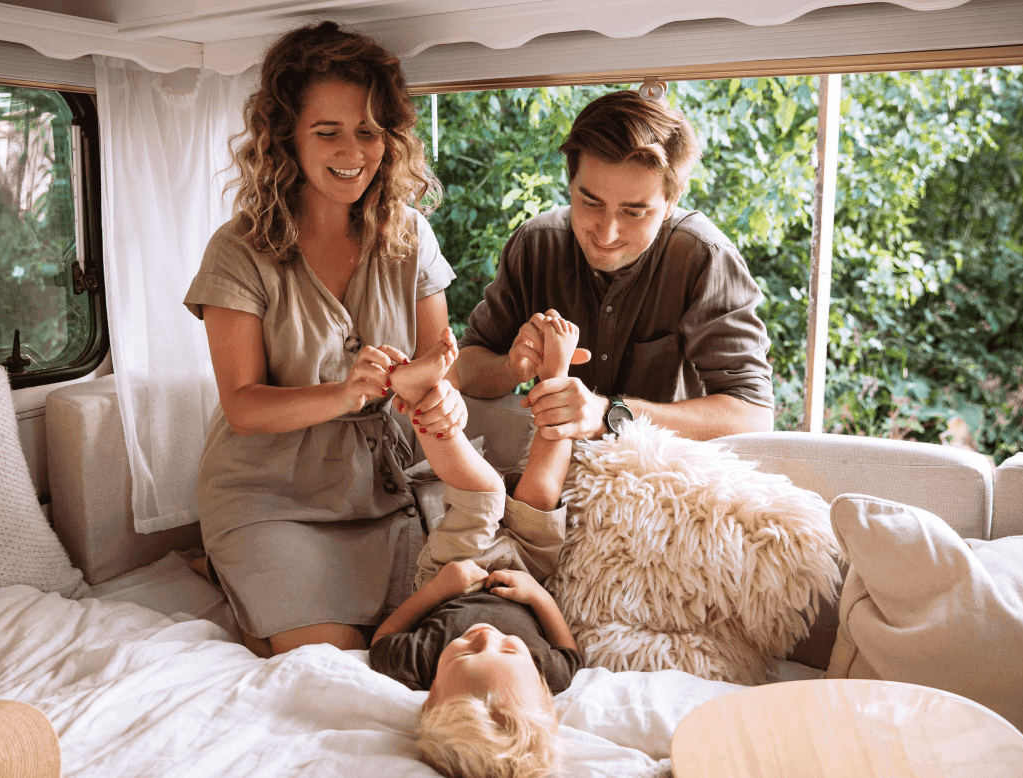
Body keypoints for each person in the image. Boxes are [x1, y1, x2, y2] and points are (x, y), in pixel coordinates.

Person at [182, 22, 466, 657]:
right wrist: (344, 393)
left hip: (386, 492)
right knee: (327, 661)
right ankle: (231, 560)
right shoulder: (238, 251)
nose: (352, 150)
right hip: (271, 496)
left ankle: (235, 579)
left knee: (427, 647)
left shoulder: (412, 234)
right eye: (327, 131)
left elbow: (438, 362)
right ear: (287, 136)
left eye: (367, 130)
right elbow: (244, 407)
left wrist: (433, 390)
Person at [456, 89, 775, 443]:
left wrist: (609, 414)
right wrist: (510, 368)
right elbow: (465, 366)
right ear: (570, 184)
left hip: (663, 480)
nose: (606, 234)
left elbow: (754, 416)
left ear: (670, 203)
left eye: (634, 212)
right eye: (590, 202)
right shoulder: (535, 244)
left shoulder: (704, 257)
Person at [368, 315, 584, 778]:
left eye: (464, 653)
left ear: (431, 693)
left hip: (455, 572)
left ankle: (420, 394)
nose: (486, 638)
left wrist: (440, 589)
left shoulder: (417, 664)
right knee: (542, 494)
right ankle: (556, 379)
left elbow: (383, 638)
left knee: (481, 489)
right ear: (540, 687)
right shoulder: (551, 675)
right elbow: (569, 652)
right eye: (510, 653)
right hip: (525, 572)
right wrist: (537, 596)